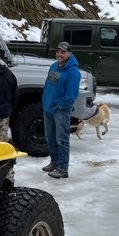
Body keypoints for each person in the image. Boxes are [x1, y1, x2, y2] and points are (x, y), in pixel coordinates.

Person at [41, 41, 80, 179]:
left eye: (63, 52)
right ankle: (54, 162)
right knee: (50, 137)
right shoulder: (53, 66)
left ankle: (63, 168)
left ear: (69, 54)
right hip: (48, 108)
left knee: (61, 140)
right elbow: (47, 86)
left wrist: (60, 106)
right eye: (58, 51)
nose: (59, 54)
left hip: (60, 111)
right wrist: (45, 100)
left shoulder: (73, 71)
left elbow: (71, 95)